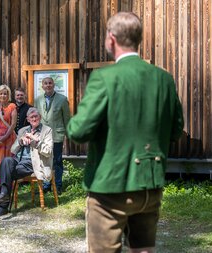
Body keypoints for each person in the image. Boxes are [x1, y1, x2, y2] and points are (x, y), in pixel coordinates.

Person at [67, 12, 184, 253]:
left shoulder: (104, 77)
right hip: (150, 184)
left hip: (110, 186)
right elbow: (175, 130)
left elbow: (78, 131)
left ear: (111, 39)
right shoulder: (164, 79)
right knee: (144, 249)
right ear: (138, 39)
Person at [0, 107, 53, 217]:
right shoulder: (22, 131)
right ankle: (4, 196)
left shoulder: (47, 130)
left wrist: (34, 142)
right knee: (6, 161)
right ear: (28, 119)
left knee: (7, 172)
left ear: (40, 117)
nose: (34, 119)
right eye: (32, 117)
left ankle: (3, 205)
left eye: (36, 116)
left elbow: (48, 151)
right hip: (18, 160)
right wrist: (20, 141)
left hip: (33, 162)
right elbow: (13, 150)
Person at [34, 77, 70, 195]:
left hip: (57, 134)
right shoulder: (38, 100)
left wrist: (68, 134)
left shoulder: (62, 99)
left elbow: (67, 119)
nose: (48, 85)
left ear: (54, 85)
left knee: (57, 160)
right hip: (42, 135)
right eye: (45, 83)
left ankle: (58, 185)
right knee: (44, 160)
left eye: (50, 83)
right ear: (42, 86)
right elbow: (36, 118)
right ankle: (46, 184)